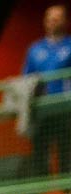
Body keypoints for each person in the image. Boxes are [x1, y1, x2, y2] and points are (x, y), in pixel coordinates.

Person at [27, 6, 71, 181]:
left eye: (57, 18)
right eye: (49, 18)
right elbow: (27, 78)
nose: (52, 22)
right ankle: (42, 191)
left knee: (66, 150)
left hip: (65, 109)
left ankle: (67, 190)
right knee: (40, 153)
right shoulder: (35, 49)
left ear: (65, 21)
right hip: (41, 110)